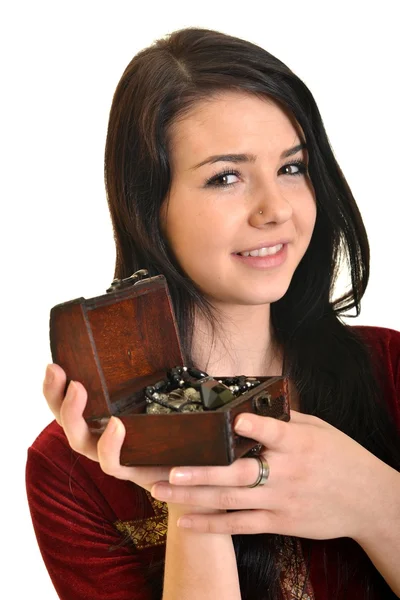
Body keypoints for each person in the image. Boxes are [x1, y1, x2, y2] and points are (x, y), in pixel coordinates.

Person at [26, 27, 400, 600]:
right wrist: (184, 487)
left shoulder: (392, 370)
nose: (276, 210)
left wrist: (375, 503)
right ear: (149, 205)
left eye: (292, 168)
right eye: (226, 177)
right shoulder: (73, 470)